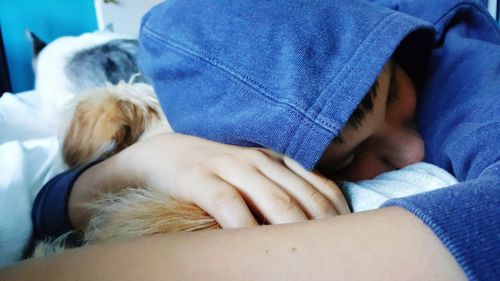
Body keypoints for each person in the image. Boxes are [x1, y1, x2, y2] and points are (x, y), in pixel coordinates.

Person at [7, 0, 499, 280]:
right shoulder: (180, 142)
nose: (412, 153)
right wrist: (143, 163)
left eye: (391, 94)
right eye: (348, 160)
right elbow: (42, 206)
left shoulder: (455, 61)